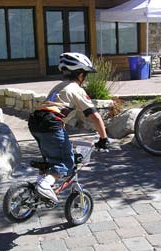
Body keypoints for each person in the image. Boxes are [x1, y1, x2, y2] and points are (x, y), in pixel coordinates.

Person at [28, 52, 109, 204]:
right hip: (51, 123)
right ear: (80, 75)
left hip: (35, 121)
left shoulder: (59, 87)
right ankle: (44, 185)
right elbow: (95, 117)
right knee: (65, 162)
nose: (85, 79)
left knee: (50, 158)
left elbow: (53, 109)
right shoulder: (76, 89)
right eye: (85, 75)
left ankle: (37, 186)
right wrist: (103, 139)